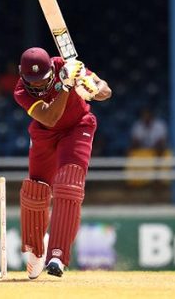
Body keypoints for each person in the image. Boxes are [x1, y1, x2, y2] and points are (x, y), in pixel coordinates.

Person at [13, 47, 112, 279]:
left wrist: (91, 88)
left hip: (78, 127)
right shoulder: (20, 91)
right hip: (45, 132)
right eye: (32, 81)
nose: (37, 85)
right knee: (35, 190)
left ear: (51, 70)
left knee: (69, 183)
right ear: (21, 74)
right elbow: (49, 117)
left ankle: (57, 255)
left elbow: (106, 90)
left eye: (42, 80)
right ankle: (36, 251)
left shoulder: (67, 67)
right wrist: (67, 88)